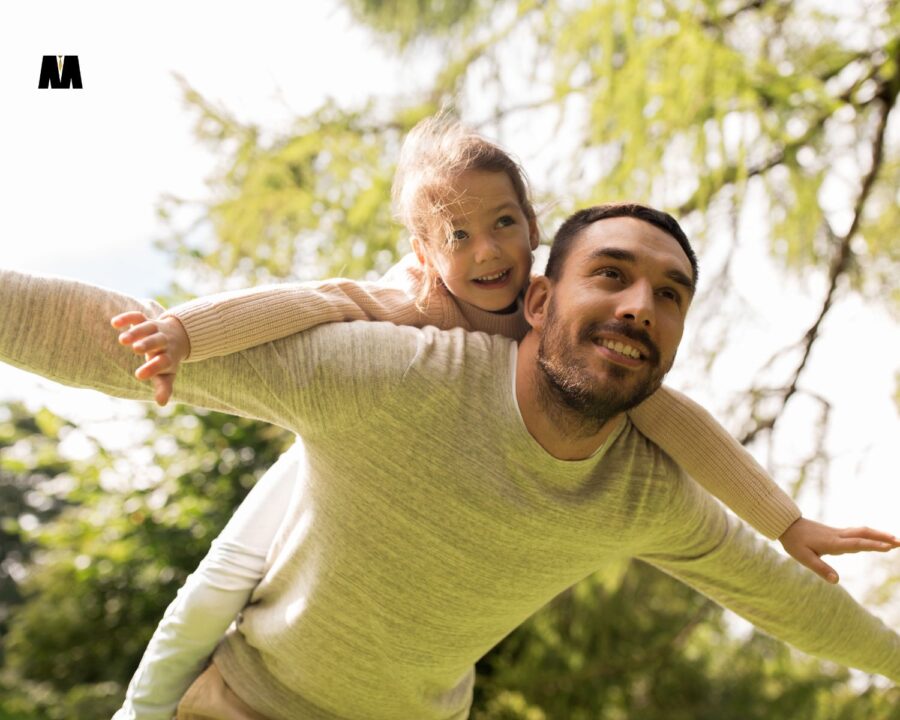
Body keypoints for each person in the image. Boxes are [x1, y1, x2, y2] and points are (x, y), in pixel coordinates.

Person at [104, 118, 899, 719]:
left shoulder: (558, 328)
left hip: (413, 685)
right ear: (425, 252)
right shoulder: (409, 307)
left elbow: (683, 425)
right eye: (459, 235)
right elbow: (307, 303)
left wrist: (787, 522)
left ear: (533, 227)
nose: (487, 251)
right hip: (343, 450)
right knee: (217, 584)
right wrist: (182, 333)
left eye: (505, 225)